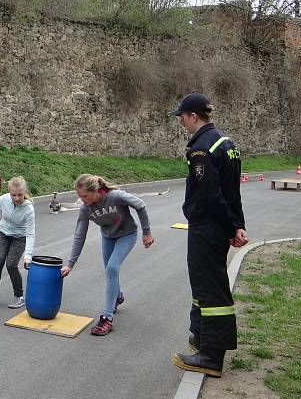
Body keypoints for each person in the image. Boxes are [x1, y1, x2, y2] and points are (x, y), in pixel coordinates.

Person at [168, 93, 248, 378]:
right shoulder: (226, 144)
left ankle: (211, 356)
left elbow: (210, 197)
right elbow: (232, 193)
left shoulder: (201, 148)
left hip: (207, 226)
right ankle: (201, 337)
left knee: (210, 287)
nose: (181, 123)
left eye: (182, 117)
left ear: (193, 116)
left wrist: (228, 228)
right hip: (217, 226)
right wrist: (237, 225)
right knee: (205, 285)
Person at [60, 174, 154, 335]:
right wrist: (70, 264)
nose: (82, 200)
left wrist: (147, 232)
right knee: (110, 271)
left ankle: (107, 318)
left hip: (127, 235)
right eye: (79, 196)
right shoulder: (85, 208)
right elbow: (79, 235)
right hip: (108, 237)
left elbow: (140, 205)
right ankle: (118, 296)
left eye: (84, 196)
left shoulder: (115, 196)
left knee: (112, 268)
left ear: (95, 190)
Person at [0, 176, 35, 310]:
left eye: (20, 195)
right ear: (9, 192)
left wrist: (28, 256)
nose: (17, 198)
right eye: (13, 195)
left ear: (24, 193)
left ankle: (19, 296)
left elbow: (30, 234)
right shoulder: (4, 199)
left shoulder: (28, 209)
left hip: (19, 237)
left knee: (11, 265)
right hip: (3, 233)